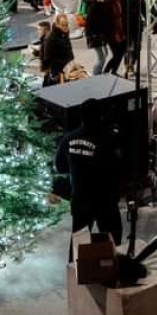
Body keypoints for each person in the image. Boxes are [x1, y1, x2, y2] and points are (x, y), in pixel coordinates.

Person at [54, 99, 123, 248]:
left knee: (79, 244)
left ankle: (77, 264)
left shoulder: (69, 139)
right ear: (101, 116)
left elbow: (60, 167)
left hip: (80, 199)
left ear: (82, 116)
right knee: (112, 242)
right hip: (105, 201)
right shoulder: (109, 139)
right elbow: (119, 169)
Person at [41, 13, 74, 87]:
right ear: (57, 24)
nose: (66, 27)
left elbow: (69, 49)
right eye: (63, 25)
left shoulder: (64, 34)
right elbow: (47, 57)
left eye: (67, 24)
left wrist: (71, 60)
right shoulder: (51, 38)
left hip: (66, 68)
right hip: (56, 70)